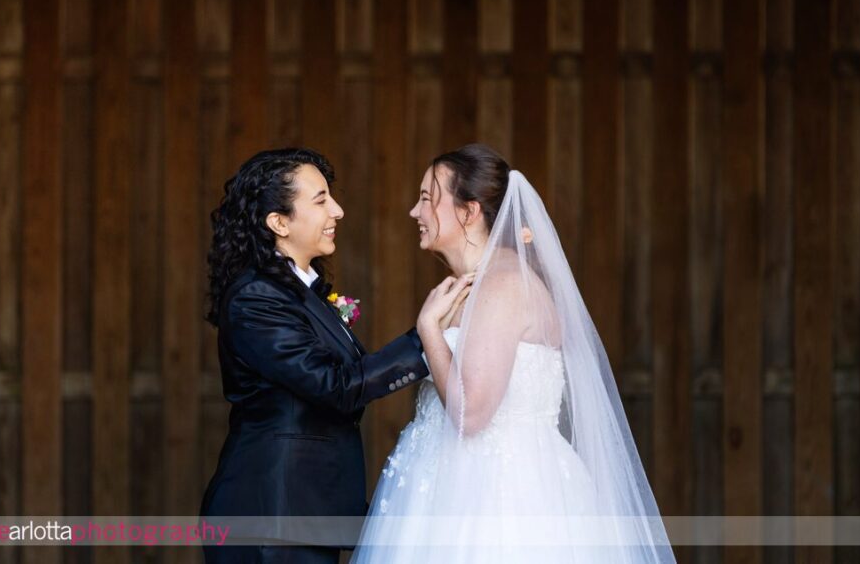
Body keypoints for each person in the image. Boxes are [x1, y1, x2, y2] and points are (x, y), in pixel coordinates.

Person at [352, 144, 675, 563]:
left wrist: (429, 330)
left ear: (469, 211)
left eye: (427, 199)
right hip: (446, 484)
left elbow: (471, 413)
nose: (415, 212)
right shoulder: (477, 283)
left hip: (497, 496)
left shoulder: (502, 284)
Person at [200, 148, 470, 564]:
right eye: (321, 199)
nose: (338, 211)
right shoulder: (257, 297)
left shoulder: (302, 291)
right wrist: (426, 335)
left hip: (305, 513)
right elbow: (337, 386)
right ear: (279, 222)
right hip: (271, 515)